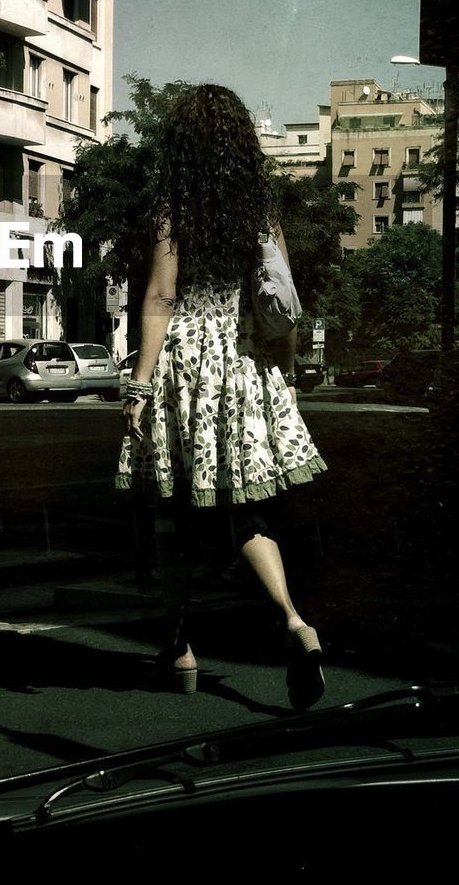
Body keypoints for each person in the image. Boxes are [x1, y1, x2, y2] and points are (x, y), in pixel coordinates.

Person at [117, 83, 328, 708]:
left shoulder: (174, 207)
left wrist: (140, 384)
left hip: (186, 365)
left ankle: (180, 646)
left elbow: (161, 297)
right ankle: (294, 621)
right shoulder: (259, 210)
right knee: (245, 512)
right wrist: (284, 374)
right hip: (243, 361)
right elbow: (279, 299)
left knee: (174, 511)